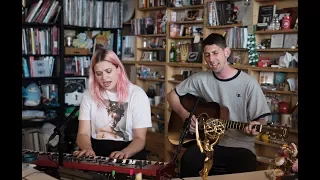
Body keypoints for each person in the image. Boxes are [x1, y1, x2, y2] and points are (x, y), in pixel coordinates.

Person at [167, 33, 271, 178]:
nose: (211, 59)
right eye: (207, 55)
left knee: (245, 167)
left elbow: (261, 120)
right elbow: (171, 95)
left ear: (226, 52)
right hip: (208, 143)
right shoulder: (200, 79)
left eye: (215, 53)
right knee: (188, 159)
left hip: (240, 146)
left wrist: (255, 127)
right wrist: (185, 115)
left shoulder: (249, 84)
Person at [73, 48, 152, 160]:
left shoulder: (137, 94)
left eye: (108, 71)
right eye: (99, 74)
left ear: (118, 69)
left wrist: (125, 153)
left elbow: (140, 139)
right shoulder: (89, 94)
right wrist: (87, 148)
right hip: (96, 153)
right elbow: (83, 134)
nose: (104, 78)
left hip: (129, 154)